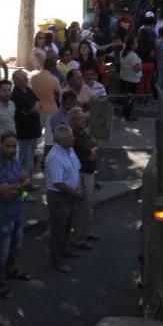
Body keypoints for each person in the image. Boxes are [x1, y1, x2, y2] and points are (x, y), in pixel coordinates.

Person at [0, 132, 32, 298]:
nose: (12, 149)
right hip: (1, 215)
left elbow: (28, 179)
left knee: (16, 244)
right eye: (8, 146)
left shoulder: (14, 161)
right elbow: (6, 194)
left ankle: (10, 270)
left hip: (16, 211)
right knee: (1, 250)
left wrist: (14, 187)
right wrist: (21, 187)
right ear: (0, 146)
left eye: (14, 146)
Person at [45, 125, 83, 273]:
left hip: (71, 194)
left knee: (68, 226)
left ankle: (66, 249)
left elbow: (77, 168)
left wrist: (78, 186)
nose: (73, 139)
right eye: (70, 137)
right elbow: (58, 182)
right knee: (58, 230)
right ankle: (57, 260)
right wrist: (75, 193)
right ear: (61, 140)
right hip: (59, 197)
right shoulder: (54, 157)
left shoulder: (70, 150)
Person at [69, 108, 100, 251]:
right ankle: (79, 238)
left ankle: (87, 232)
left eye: (83, 118)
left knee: (90, 205)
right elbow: (92, 154)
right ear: (72, 121)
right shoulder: (75, 137)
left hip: (90, 172)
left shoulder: (83, 134)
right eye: (79, 119)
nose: (83, 121)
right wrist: (93, 150)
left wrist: (93, 149)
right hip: (82, 174)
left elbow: (94, 144)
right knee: (83, 207)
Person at [10, 69, 42, 180]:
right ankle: (24, 191)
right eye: (24, 77)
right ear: (17, 80)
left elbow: (38, 104)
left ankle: (29, 183)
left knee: (31, 159)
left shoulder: (27, 89)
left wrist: (33, 108)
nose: (27, 79)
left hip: (33, 131)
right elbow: (35, 108)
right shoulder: (16, 95)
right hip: (25, 133)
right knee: (24, 162)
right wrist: (33, 107)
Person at [30, 51, 62, 151]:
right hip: (51, 109)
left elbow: (30, 92)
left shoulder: (33, 78)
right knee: (49, 138)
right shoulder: (54, 79)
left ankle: (32, 154)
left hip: (37, 109)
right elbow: (60, 94)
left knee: (35, 135)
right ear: (53, 67)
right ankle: (46, 158)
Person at [118, 37, 143, 122]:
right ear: (131, 45)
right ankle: (127, 115)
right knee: (130, 99)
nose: (137, 43)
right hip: (132, 80)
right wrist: (141, 66)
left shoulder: (122, 52)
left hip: (124, 77)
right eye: (135, 42)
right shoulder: (132, 55)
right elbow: (136, 68)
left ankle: (125, 114)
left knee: (126, 98)